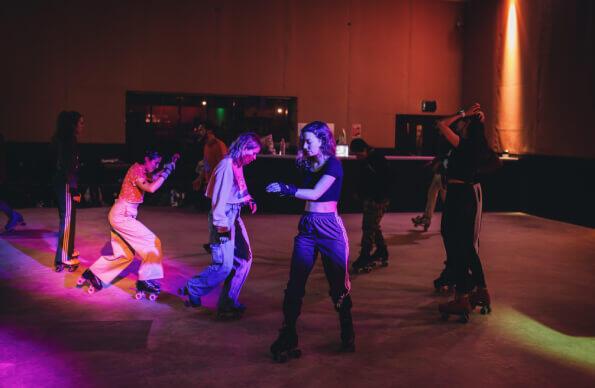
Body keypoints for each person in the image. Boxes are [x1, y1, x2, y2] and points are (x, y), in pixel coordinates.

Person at [266, 121, 354, 361]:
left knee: (338, 285)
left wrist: (286, 188)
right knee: (295, 283)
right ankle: (288, 333)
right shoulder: (307, 163)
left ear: (323, 140)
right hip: (307, 226)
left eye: (308, 141)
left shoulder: (334, 164)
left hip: (330, 229)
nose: (303, 145)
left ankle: (347, 330)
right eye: (302, 140)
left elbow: (315, 193)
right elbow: (306, 195)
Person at [77, 150, 178, 299]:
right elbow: (151, 188)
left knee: (125, 255)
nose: (156, 166)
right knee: (153, 242)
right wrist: (167, 171)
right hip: (122, 215)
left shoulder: (143, 171)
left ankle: (94, 274)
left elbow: (155, 177)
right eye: (155, 162)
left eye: (158, 164)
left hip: (122, 214)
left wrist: (170, 166)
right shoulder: (136, 169)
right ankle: (146, 280)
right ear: (146, 159)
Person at [180, 133, 260, 319]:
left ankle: (227, 302)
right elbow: (218, 201)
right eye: (253, 153)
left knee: (244, 259)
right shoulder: (226, 166)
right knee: (223, 266)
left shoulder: (237, 164)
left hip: (235, 214)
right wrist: (222, 228)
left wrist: (248, 199)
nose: (254, 157)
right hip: (223, 217)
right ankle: (193, 288)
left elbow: (238, 187)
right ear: (243, 148)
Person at [435, 103, 499, 321]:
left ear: (467, 128)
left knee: (455, 243)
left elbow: (441, 124)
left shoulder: (465, 144)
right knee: (464, 245)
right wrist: (476, 119)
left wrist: (464, 113)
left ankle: (463, 296)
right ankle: (479, 290)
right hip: (464, 194)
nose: (460, 124)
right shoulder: (474, 145)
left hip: (459, 195)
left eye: (463, 123)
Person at [349, 138, 391, 273]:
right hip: (370, 198)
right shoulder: (365, 160)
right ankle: (381, 251)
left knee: (368, 227)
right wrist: (358, 192)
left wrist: (379, 198)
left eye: (358, 154)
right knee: (373, 226)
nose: (356, 157)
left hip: (378, 199)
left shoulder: (378, 159)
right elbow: (363, 179)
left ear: (365, 150)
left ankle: (365, 256)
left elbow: (386, 179)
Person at [51, 111, 84, 272]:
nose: (82, 126)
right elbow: (68, 167)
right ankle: (64, 257)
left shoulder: (59, 139)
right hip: (65, 183)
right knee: (68, 219)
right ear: (73, 124)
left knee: (67, 218)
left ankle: (67, 251)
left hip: (59, 182)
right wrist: (74, 189)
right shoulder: (69, 140)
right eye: (81, 123)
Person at [192, 123, 228, 253]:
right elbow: (206, 166)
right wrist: (200, 179)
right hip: (212, 185)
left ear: (209, 131)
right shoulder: (206, 146)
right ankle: (215, 243)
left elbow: (226, 166)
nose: (198, 132)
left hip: (221, 185)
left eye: (201, 129)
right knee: (213, 216)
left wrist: (221, 186)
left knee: (215, 215)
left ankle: (217, 244)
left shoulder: (220, 145)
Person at [411, 156, 448, 231]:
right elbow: (441, 155)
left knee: (446, 201)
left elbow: (446, 158)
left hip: (445, 175)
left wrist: (439, 164)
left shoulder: (450, 150)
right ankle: (427, 218)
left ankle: (453, 221)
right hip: (439, 174)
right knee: (431, 194)